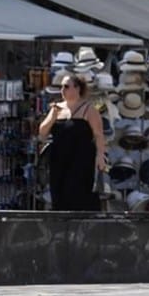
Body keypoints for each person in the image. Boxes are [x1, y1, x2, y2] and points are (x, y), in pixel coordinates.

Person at [37, 74, 107, 211]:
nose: (62, 90)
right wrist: (53, 116)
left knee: (77, 194)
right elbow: (42, 132)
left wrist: (100, 155)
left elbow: (98, 134)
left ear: (78, 88)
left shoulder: (89, 109)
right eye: (62, 87)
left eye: (66, 86)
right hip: (59, 159)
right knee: (58, 194)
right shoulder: (56, 109)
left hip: (81, 159)